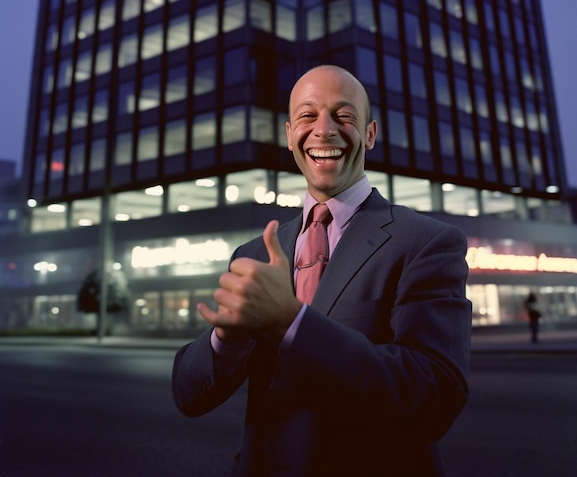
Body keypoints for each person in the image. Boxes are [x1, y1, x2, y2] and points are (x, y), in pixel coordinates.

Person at [172, 65, 472, 476]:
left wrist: (291, 322)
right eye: (308, 116)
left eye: (344, 116)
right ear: (289, 134)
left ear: (369, 133)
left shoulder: (426, 242)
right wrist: (226, 339)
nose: (324, 130)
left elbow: (433, 398)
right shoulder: (256, 254)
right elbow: (189, 396)